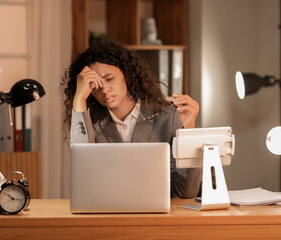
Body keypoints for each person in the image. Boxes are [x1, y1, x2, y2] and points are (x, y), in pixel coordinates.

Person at [61, 41, 201, 198]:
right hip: (107, 214)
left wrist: (190, 130)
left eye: (109, 78)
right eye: (95, 85)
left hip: (157, 218)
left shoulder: (168, 118)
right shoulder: (91, 123)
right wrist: (79, 98)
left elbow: (186, 192)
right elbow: (82, 170)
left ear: (126, 74)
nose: (104, 89)